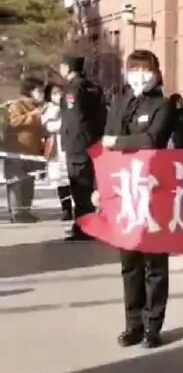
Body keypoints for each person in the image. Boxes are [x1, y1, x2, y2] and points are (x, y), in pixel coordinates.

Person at [102, 50, 177, 348]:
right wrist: (100, 188)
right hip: (124, 192)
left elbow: (151, 140)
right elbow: (105, 148)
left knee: (154, 264)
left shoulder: (163, 105)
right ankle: (132, 324)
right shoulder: (120, 102)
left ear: (156, 73)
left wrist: (118, 142)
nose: (139, 75)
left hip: (154, 192)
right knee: (129, 263)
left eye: (145, 70)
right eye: (134, 69)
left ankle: (152, 326)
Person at [58, 54, 107, 241]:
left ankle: (84, 227)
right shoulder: (93, 87)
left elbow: (74, 119)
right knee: (90, 186)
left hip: (78, 145)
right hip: (93, 141)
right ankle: (90, 224)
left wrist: (69, 141)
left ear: (67, 68)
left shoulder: (73, 89)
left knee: (80, 187)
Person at [3, 78, 45, 223]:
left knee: (28, 183)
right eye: (39, 91)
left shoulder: (38, 107)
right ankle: (17, 213)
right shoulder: (17, 105)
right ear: (29, 91)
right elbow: (14, 121)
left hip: (32, 152)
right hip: (17, 151)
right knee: (16, 182)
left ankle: (26, 211)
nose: (42, 94)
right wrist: (31, 115)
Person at [41, 83, 72, 221]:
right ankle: (66, 209)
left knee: (72, 178)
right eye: (54, 93)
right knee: (60, 180)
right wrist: (63, 122)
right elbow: (49, 126)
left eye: (59, 92)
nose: (57, 95)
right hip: (56, 147)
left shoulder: (69, 106)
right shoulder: (48, 109)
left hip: (70, 146)